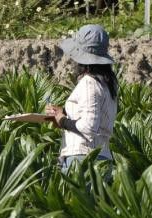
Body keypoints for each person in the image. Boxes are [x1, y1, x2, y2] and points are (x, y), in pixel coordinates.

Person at [46, 24, 118, 173]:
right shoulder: (107, 82)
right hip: (102, 157)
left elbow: (88, 127)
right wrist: (64, 112)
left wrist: (62, 120)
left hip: (84, 160)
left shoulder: (89, 83)